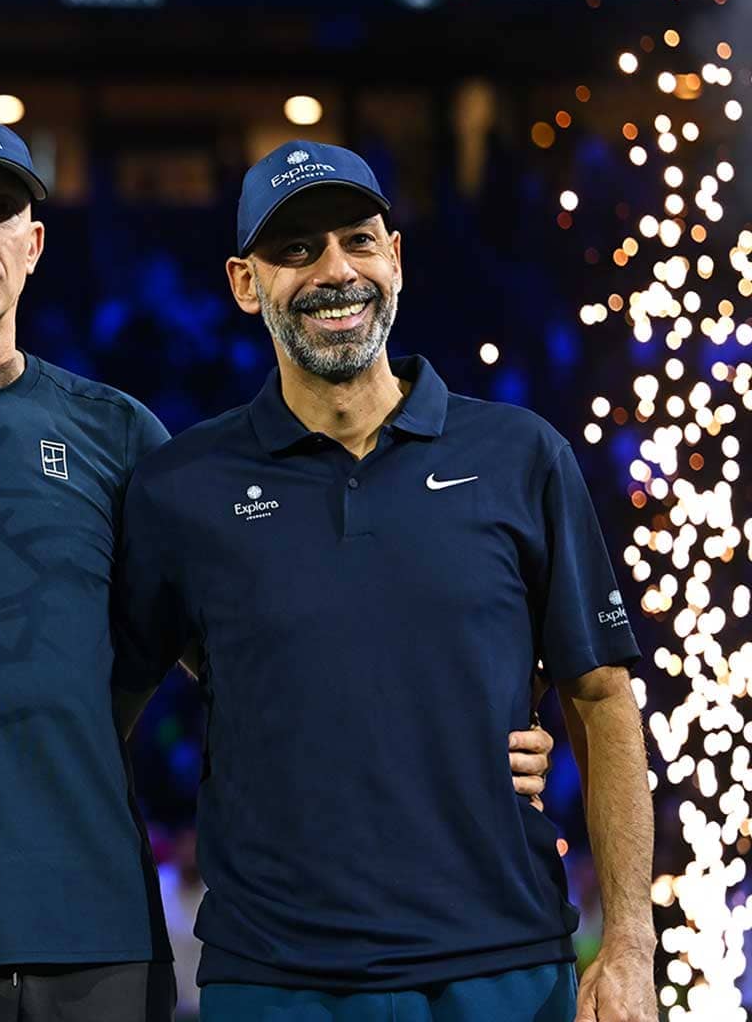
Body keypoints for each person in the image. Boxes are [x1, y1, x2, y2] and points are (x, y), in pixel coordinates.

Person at [0, 112, 558, 1022]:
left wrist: (465, 736)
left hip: (98, 929)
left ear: (34, 245)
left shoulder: (121, 437)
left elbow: (254, 648)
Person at [116, 139, 654, 1021]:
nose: (336, 271)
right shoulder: (182, 488)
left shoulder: (520, 455)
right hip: (275, 980)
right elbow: (106, 706)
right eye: (295, 251)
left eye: (358, 241)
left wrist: (631, 942)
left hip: (504, 968)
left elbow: (602, 697)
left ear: (395, 258)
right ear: (244, 284)